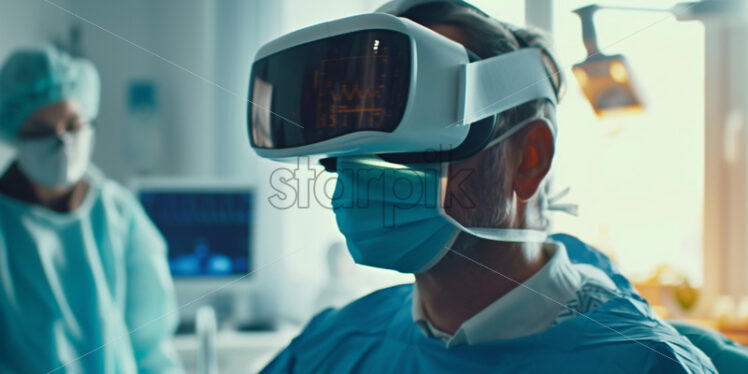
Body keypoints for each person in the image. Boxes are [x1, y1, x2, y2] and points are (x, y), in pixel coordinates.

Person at [254, 1, 720, 373]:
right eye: (344, 154)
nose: (362, 174)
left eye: (413, 142)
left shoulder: (643, 365)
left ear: (529, 159)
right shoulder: (336, 341)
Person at [0, 45, 182, 373]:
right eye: (43, 131)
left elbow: (151, 343)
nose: (63, 142)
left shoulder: (118, 214)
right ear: (16, 134)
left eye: (73, 125)